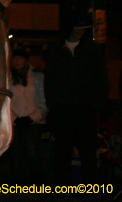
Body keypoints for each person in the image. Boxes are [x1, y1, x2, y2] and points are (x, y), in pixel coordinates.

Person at [45, 19, 107, 185]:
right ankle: (61, 185)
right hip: (62, 109)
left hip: (85, 108)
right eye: (78, 28)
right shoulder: (56, 48)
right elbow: (50, 78)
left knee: (87, 149)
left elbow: (100, 77)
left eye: (84, 29)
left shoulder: (91, 49)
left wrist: (98, 104)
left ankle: (89, 185)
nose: (81, 32)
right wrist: (53, 104)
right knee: (62, 149)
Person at [8, 47, 47, 184]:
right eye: (15, 58)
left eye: (20, 58)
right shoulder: (8, 78)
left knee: (31, 147)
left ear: (26, 60)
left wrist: (32, 117)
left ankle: (39, 182)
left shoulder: (38, 76)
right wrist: (14, 118)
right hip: (15, 122)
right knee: (15, 151)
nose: (17, 61)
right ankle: (18, 183)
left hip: (34, 121)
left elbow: (44, 100)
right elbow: (5, 101)